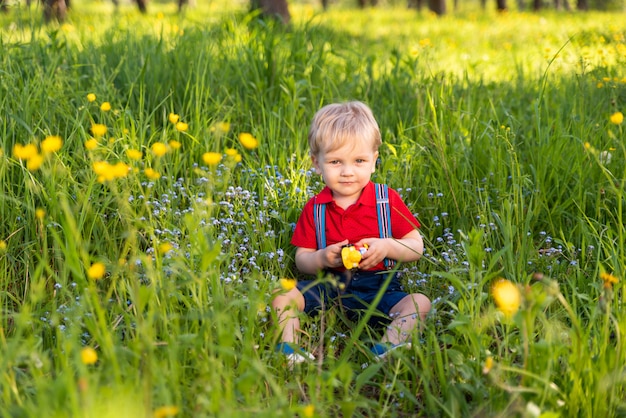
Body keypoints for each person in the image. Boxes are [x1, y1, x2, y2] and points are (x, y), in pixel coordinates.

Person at [272, 101, 431, 365]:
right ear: (317, 163)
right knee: (282, 295)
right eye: (335, 161)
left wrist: (388, 247)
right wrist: (323, 258)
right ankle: (290, 350)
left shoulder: (386, 200)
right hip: (328, 286)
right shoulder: (316, 208)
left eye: (359, 161)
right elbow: (302, 258)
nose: (347, 172)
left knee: (419, 303)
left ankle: (389, 349)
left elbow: (417, 246)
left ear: (374, 162)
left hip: (379, 288)